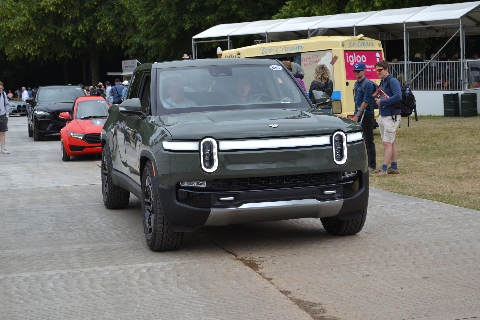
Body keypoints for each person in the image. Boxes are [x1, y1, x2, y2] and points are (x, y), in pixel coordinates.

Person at [373, 60, 402, 176]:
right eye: (376, 70)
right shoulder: (383, 81)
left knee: (387, 143)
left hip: (391, 116)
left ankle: (384, 169)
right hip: (384, 115)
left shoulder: (392, 81)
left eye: (380, 70)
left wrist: (383, 101)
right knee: (391, 142)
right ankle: (393, 167)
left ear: (386, 69)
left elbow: (398, 96)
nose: (378, 72)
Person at [351, 62, 376, 172]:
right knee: (359, 141)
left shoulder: (368, 83)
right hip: (359, 114)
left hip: (367, 115)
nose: (356, 73)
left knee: (369, 141)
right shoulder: (356, 83)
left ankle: (372, 165)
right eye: (355, 71)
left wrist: (357, 116)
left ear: (364, 71)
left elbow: (366, 101)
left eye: (358, 71)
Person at [0, 81, 11, 154]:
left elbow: (7, 104)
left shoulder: (3, 94)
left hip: (2, 115)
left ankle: (3, 148)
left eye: (1, 88)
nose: (0, 89)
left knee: (2, 132)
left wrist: (7, 114)